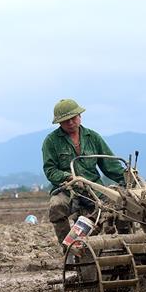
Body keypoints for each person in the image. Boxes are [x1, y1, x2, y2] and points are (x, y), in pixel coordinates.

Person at [42, 99, 125, 245]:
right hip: (66, 188)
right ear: (59, 123)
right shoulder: (51, 141)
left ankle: (125, 243)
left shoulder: (93, 137)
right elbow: (50, 170)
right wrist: (68, 177)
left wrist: (128, 178)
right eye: (66, 120)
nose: (71, 123)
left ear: (80, 116)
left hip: (93, 187)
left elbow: (110, 166)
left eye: (73, 118)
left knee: (120, 207)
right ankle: (68, 249)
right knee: (57, 207)